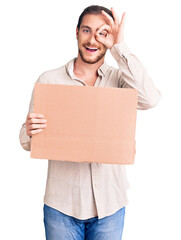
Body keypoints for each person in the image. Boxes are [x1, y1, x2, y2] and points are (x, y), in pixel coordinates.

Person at [19, 5, 161, 240]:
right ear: (76, 32)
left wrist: (120, 48)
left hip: (110, 208)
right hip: (61, 207)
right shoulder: (49, 81)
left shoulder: (121, 81)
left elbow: (151, 98)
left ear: (110, 39)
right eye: (87, 30)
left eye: (102, 33)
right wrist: (30, 132)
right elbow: (26, 140)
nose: (93, 39)